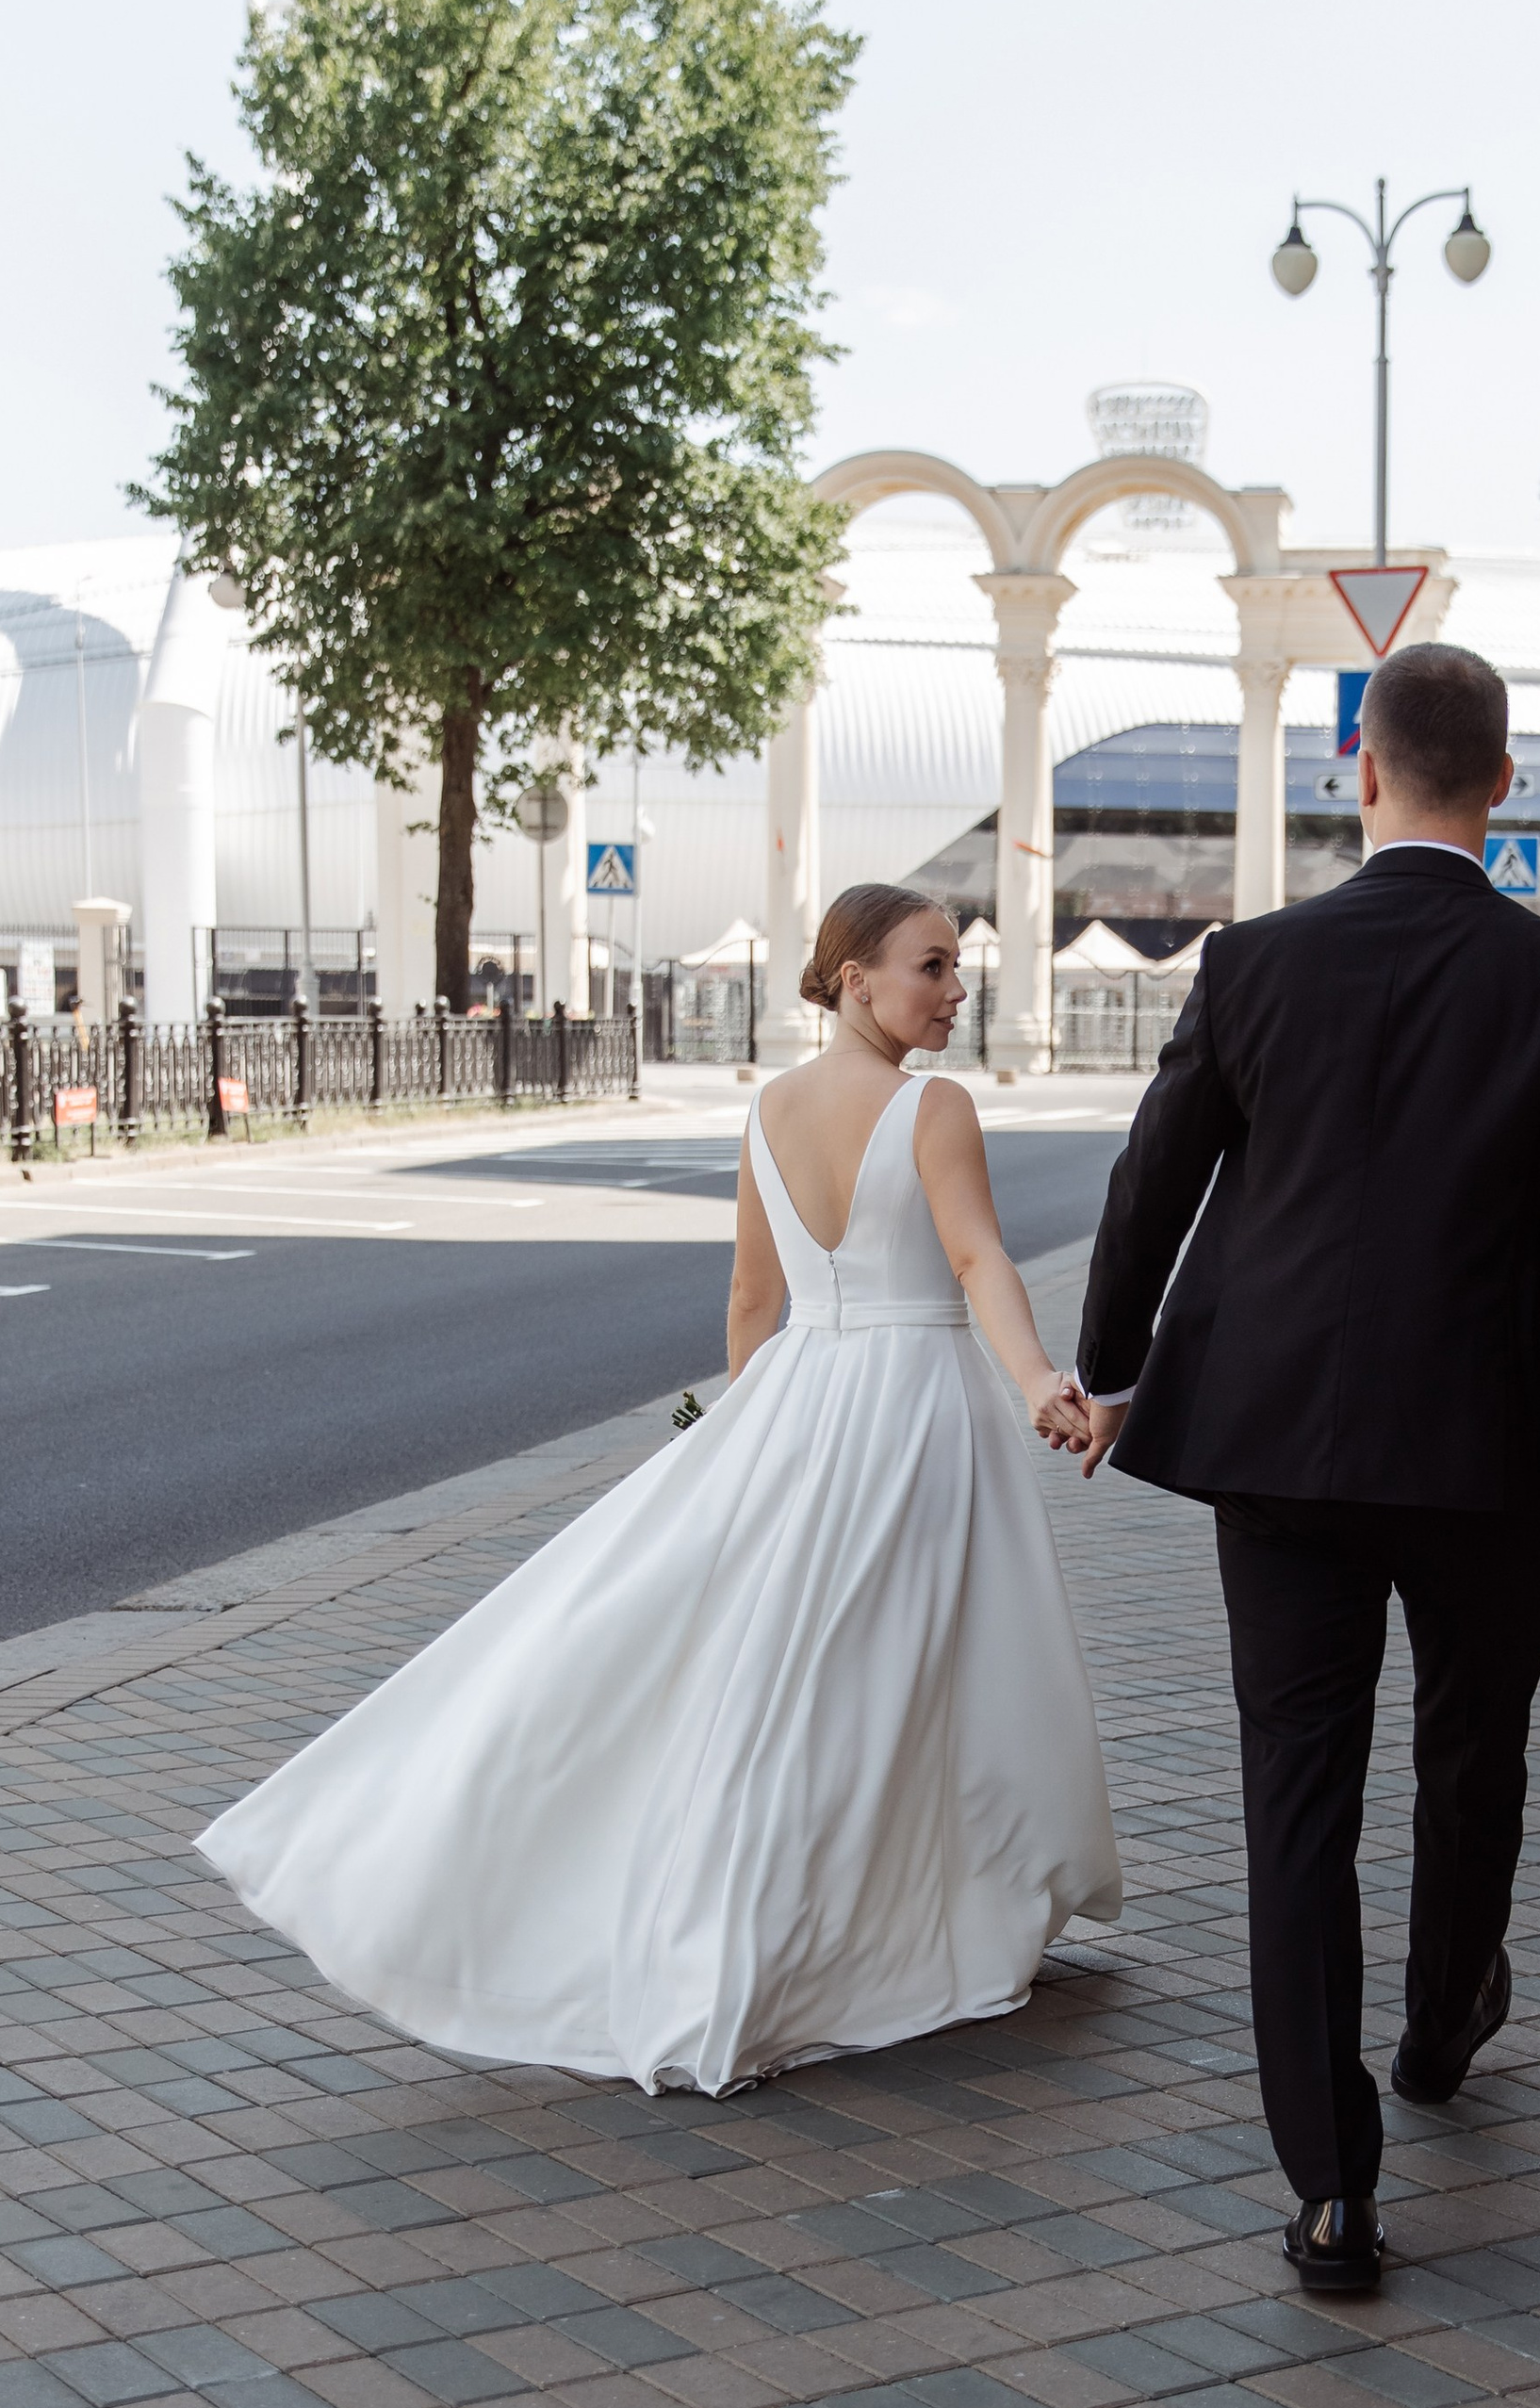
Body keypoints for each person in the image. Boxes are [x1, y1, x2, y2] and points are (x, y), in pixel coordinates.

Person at [198, 884, 1121, 2096]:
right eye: (933, 966)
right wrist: (1036, 1378)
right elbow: (972, 1256)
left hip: (800, 1398)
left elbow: (751, 1300)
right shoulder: (931, 1106)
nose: (956, 989)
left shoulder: (769, 1110)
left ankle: (800, 1910)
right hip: (915, 1407)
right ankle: (914, 1905)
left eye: (956, 968)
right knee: (914, 1662)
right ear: (851, 977)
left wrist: (734, 1436)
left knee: (804, 1667)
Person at [1074, 642, 1540, 2294]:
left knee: (1295, 1797)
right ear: (1505, 787)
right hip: (1495, 1457)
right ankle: (1444, 2022)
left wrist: (1110, 1375)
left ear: (1360, 771)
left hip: (1284, 1446)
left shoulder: (1253, 963)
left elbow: (1152, 1182)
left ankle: (1334, 2192)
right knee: (1476, 1750)